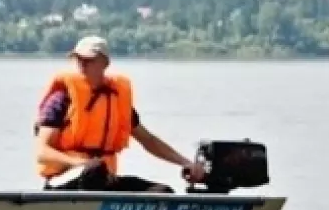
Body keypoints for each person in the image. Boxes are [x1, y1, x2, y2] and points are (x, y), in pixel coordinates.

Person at [32, 35, 206, 192]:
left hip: (104, 179)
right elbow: (42, 152)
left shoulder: (116, 100)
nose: (82, 64)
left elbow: (148, 140)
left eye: (89, 59)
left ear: (105, 63)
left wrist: (186, 163)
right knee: (94, 172)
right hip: (66, 178)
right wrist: (82, 163)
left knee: (161, 192)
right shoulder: (61, 99)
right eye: (78, 59)